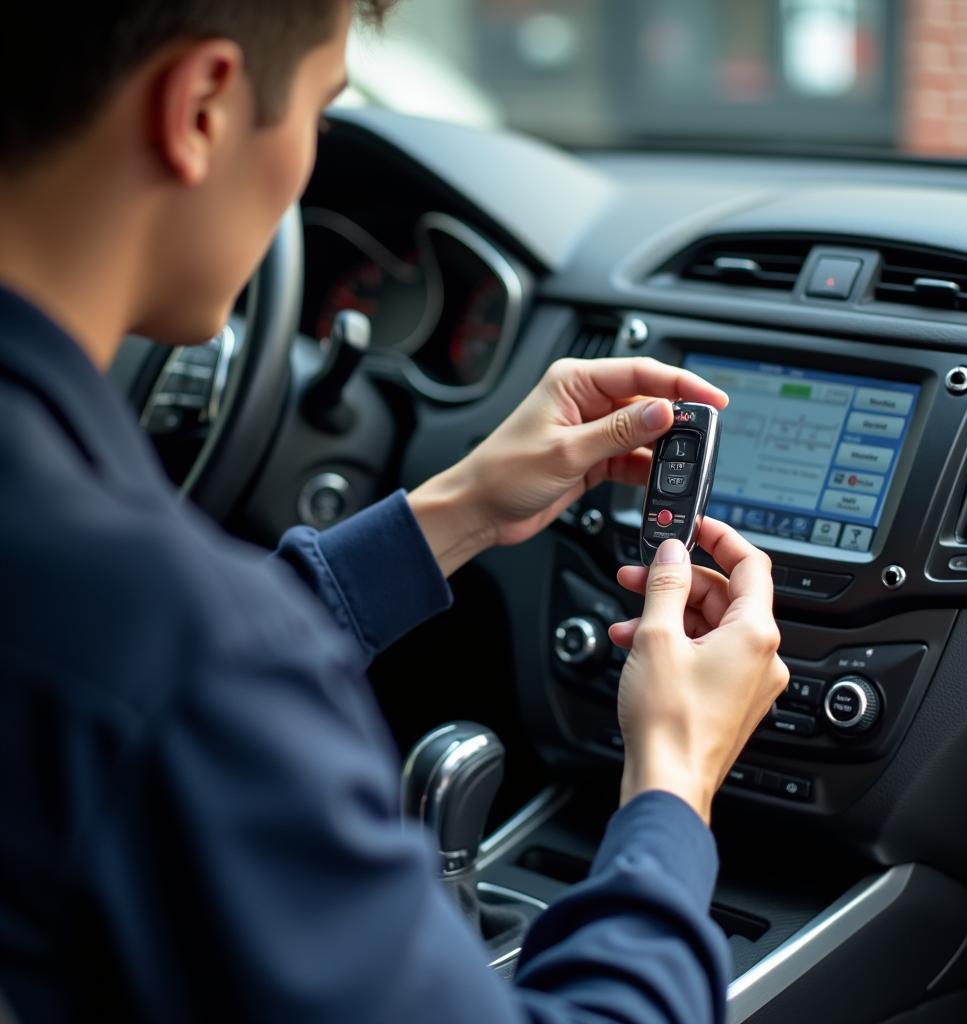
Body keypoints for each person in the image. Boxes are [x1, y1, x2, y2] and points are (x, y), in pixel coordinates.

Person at [0, 1, 788, 1021]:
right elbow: (175, 680)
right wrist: (673, 784)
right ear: (199, 106)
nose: (307, 164)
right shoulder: (189, 659)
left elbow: (116, 684)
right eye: (321, 115)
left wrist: (453, 507)